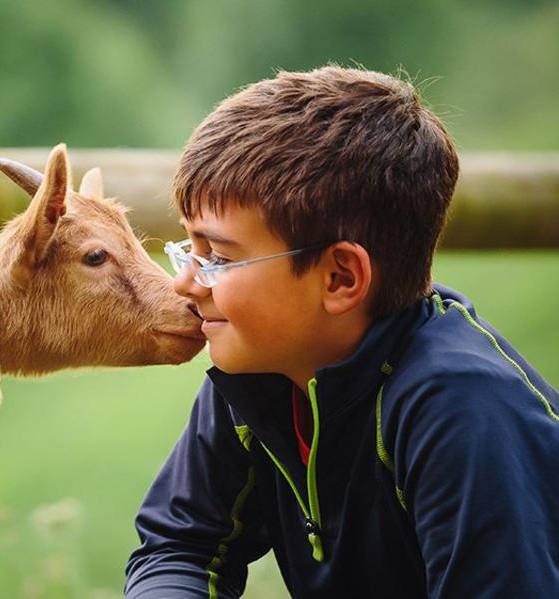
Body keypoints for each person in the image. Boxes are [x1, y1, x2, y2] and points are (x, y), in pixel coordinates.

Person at [124, 66, 559, 598]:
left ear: (340, 278)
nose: (185, 283)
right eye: (188, 248)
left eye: (217, 256)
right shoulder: (264, 374)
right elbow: (179, 547)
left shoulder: (464, 412)